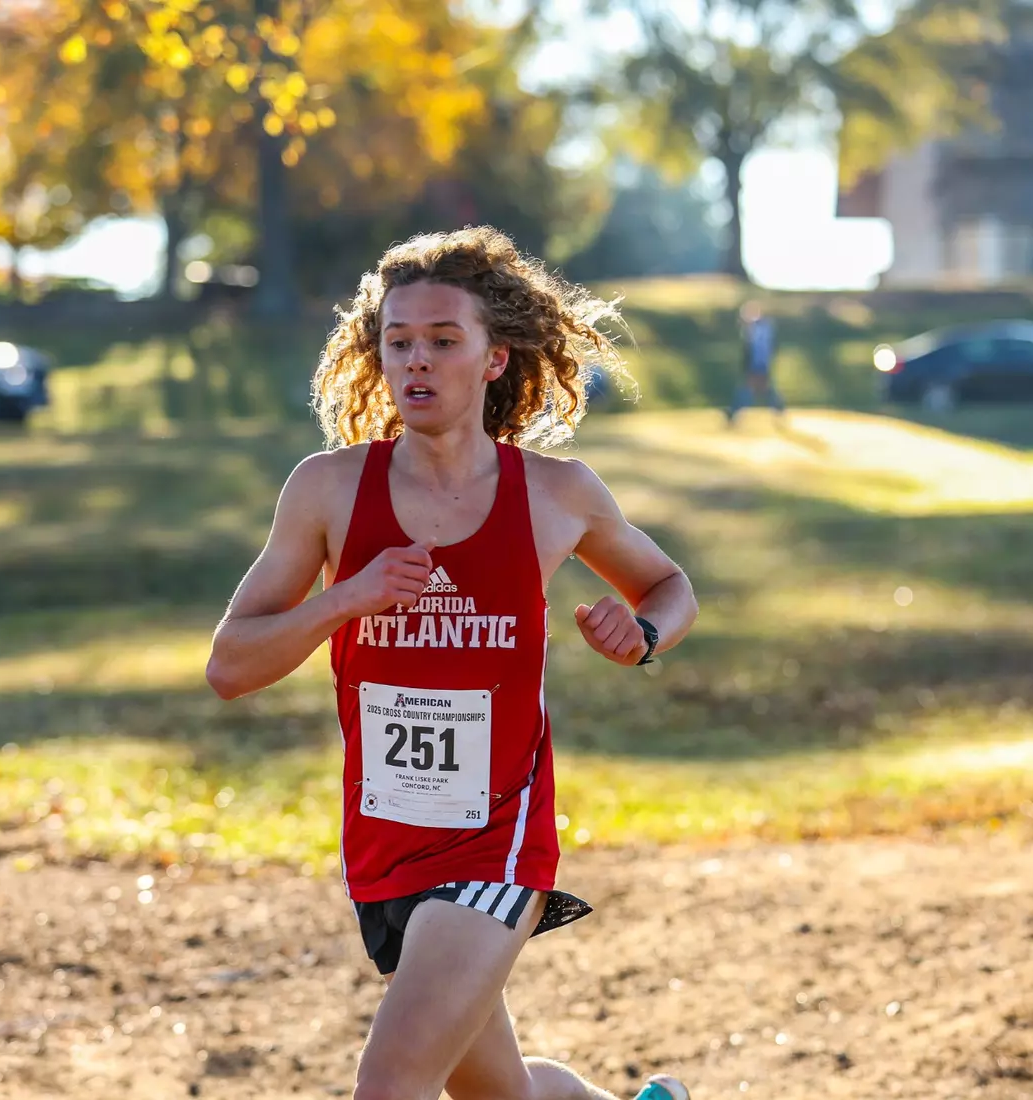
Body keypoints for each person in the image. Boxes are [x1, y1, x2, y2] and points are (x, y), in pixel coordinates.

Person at [205, 226, 699, 1100]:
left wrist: (643, 633)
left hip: (499, 838)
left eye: (442, 341)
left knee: (392, 1083)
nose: (416, 363)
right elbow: (231, 665)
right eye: (398, 343)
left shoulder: (556, 494)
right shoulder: (326, 490)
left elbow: (668, 586)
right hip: (386, 843)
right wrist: (342, 599)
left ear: (494, 359)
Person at [726, 300, 784, 425]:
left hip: (757, 363)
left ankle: (733, 412)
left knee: (750, 389)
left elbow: (757, 349)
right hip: (760, 363)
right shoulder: (762, 328)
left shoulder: (757, 329)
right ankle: (779, 409)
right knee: (763, 389)